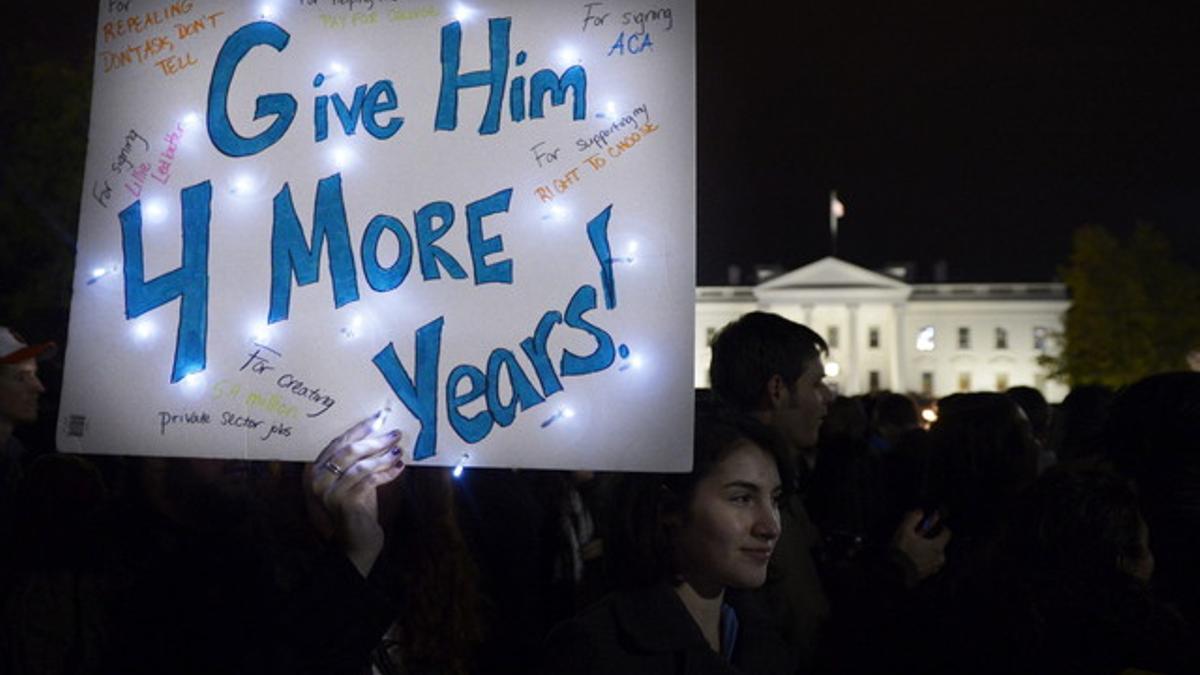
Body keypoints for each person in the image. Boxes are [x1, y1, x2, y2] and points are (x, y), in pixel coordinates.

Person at [707, 312, 949, 670]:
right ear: (777, 390)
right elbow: (807, 634)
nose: (828, 398)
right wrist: (901, 568)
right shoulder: (753, 500)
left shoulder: (776, 483)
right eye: (816, 384)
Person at [540, 404, 792, 674]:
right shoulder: (593, 652)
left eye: (774, 500)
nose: (770, 527)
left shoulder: (768, 638)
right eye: (742, 498)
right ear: (669, 508)